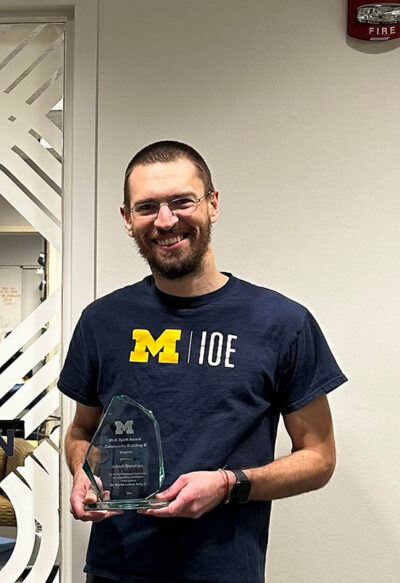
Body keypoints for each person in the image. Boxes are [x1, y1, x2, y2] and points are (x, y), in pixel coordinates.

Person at [60, 141, 345, 583]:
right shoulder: (102, 322)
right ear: (127, 219)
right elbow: (81, 431)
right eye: (147, 207)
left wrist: (228, 485)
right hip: (114, 570)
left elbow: (319, 458)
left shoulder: (282, 323)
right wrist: (84, 471)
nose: (166, 220)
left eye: (181, 201)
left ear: (212, 204)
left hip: (224, 572)